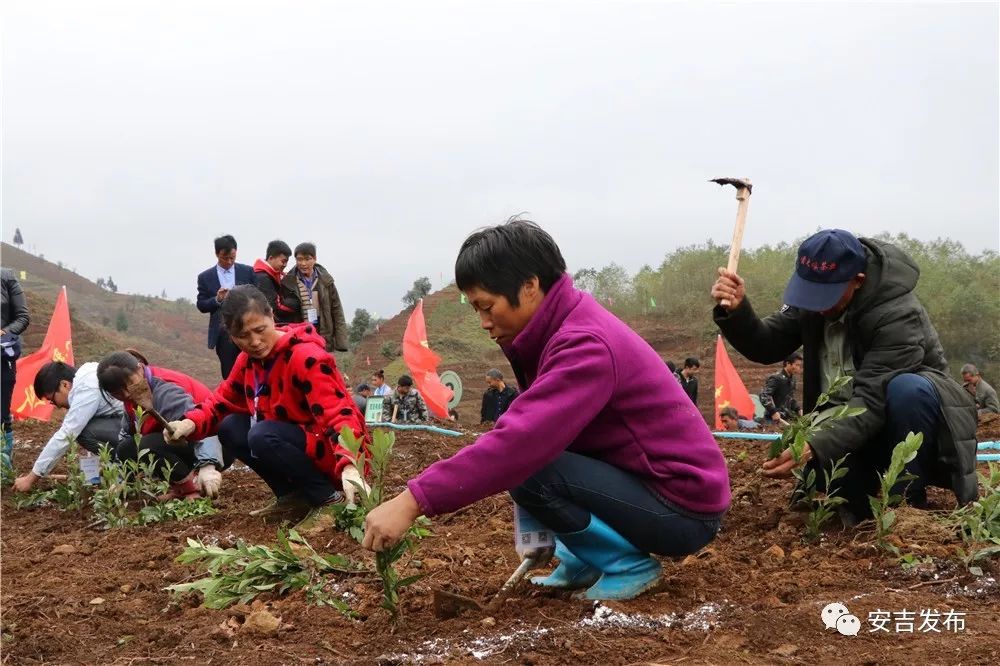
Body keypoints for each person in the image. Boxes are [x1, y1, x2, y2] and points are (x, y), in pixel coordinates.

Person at [361, 219, 730, 601]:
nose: (484, 322)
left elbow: (520, 442)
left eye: (487, 307)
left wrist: (413, 501)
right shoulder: (560, 327)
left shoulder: (584, 344)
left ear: (530, 286)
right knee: (538, 462)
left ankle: (626, 564)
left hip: (682, 508)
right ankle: (584, 560)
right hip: (651, 486)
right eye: (476, 311)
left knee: (531, 468)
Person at [711, 228, 978, 520]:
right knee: (851, 510)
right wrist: (737, 311)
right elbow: (766, 344)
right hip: (848, 423)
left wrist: (816, 445)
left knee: (907, 389)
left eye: (827, 296)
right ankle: (855, 497)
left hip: (903, 424)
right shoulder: (813, 302)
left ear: (858, 281)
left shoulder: (897, 314)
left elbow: (871, 401)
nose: (816, 304)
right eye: (810, 293)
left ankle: (906, 504)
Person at [164, 285, 369, 527]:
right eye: (242, 336)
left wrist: (350, 465)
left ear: (271, 316)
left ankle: (328, 500)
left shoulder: (306, 357)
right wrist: (189, 423)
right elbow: (222, 401)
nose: (255, 342)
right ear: (230, 335)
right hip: (290, 444)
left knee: (261, 434)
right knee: (231, 427)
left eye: (260, 330)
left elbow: (339, 413)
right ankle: (293, 498)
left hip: (326, 454)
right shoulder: (248, 361)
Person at [96, 351, 227, 500]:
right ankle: (180, 487)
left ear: (139, 368)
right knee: (127, 447)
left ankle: (193, 487)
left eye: (129, 384)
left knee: (146, 445)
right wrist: (119, 476)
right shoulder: (133, 398)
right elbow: (127, 435)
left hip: (218, 445)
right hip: (185, 445)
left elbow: (203, 424)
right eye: (117, 393)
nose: (126, 394)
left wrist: (208, 465)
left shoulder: (166, 390)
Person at [12, 361, 124, 492]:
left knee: (83, 433)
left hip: (137, 431)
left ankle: (123, 473)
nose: (58, 406)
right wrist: (92, 475)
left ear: (64, 384)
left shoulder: (87, 389)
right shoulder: (86, 375)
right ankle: (116, 467)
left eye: (53, 400)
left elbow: (66, 434)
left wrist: (30, 479)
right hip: (126, 425)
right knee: (86, 429)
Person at [197, 235, 255, 378]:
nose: (229, 261)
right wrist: (217, 299)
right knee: (230, 374)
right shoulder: (205, 277)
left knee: (251, 369)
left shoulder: (248, 272)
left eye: (232, 258)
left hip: (248, 329)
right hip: (224, 333)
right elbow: (201, 305)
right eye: (225, 258)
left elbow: (258, 296)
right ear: (217, 254)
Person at [276, 242, 349, 352]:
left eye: (307, 259)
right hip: (300, 334)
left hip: (323, 332)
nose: (303, 263)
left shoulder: (326, 281)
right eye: (299, 259)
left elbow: (337, 309)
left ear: (314, 259)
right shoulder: (287, 283)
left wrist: (341, 342)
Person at [1, 267, 29, 464]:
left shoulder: (6, 278)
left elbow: (23, 317)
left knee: (2, 413)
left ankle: (3, 464)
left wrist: (5, 332)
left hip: (2, 357)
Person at [759, 352, 803, 424]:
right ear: (788, 363)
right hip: (772, 419)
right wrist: (773, 412)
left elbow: (790, 399)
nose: (799, 368)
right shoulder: (776, 378)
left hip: (785, 418)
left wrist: (798, 409)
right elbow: (764, 395)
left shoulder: (792, 380)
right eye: (797, 365)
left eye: (799, 365)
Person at [253, 240, 292, 313]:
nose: (285, 265)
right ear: (271, 258)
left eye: (287, 262)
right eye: (283, 261)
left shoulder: (278, 275)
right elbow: (275, 306)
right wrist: (297, 303)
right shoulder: (262, 278)